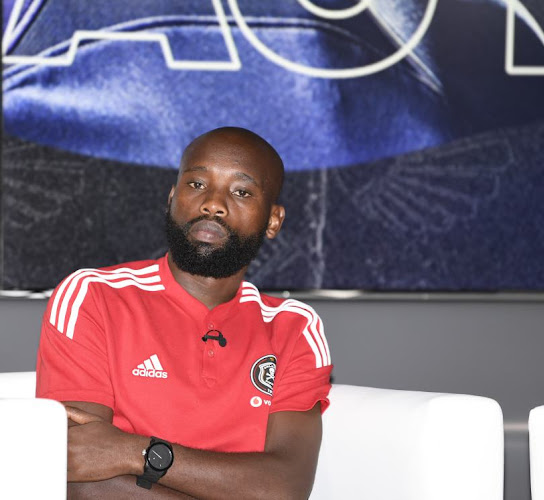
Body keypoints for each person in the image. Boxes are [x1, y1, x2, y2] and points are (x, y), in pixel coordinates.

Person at [36, 126, 333, 498]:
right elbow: (83, 476)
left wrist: (137, 452)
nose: (213, 203)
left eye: (241, 192)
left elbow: (285, 488)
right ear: (172, 198)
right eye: (196, 185)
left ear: (273, 220)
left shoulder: (294, 327)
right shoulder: (94, 296)